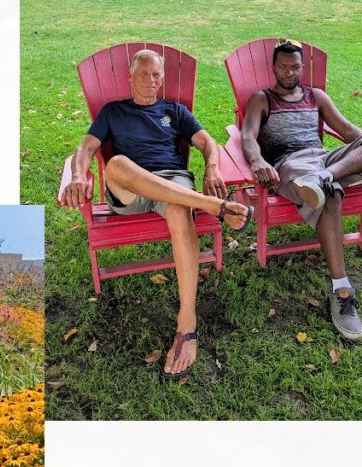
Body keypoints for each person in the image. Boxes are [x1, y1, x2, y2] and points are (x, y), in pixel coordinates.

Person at [63, 49, 252, 380]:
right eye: (145, 74)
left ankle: (187, 325)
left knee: (179, 210)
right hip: (130, 188)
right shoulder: (113, 111)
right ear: (131, 76)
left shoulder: (174, 110)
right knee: (117, 164)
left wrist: (211, 167)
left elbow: (208, 142)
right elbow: (86, 148)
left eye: (158, 75)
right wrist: (79, 174)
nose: (152, 81)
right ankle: (211, 206)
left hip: (173, 182)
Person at [240, 38, 362, 341]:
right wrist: (258, 161)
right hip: (290, 165)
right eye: (283, 66)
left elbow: (349, 132)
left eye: (295, 66)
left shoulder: (316, 96)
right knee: (331, 196)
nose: (289, 72)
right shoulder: (262, 98)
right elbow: (247, 136)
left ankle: (324, 178)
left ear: (303, 67)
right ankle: (342, 290)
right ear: (274, 67)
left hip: (324, 161)